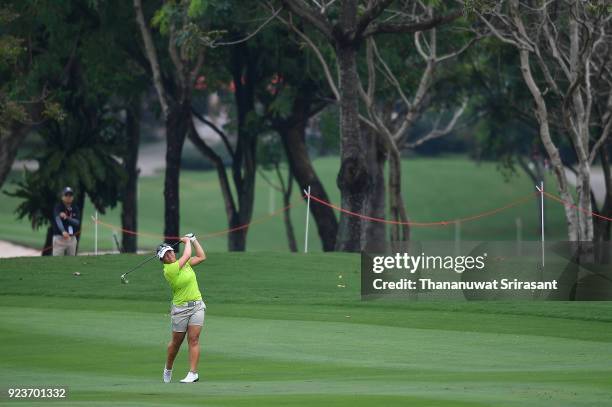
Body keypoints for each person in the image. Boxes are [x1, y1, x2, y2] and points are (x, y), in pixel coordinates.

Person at [158, 233, 207, 383]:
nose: (169, 255)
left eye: (170, 252)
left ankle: (193, 373)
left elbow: (201, 256)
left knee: (193, 339)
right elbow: (187, 254)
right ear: (162, 260)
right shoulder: (169, 270)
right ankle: (168, 367)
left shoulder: (183, 263)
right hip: (180, 309)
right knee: (176, 343)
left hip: (197, 305)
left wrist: (194, 240)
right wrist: (186, 241)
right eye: (165, 255)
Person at [52, 187, 80, 256]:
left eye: (70, 195)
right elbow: (57, 219)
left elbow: (77, 222)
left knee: (71, 262)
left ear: (72, 197)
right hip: (59, 238)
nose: (68, 197)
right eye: (66, 195)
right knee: (57, 261)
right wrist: (63, 231)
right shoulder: (58, 207)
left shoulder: (75, 208)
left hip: (72, 239)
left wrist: (67, 218)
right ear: (62, 197)